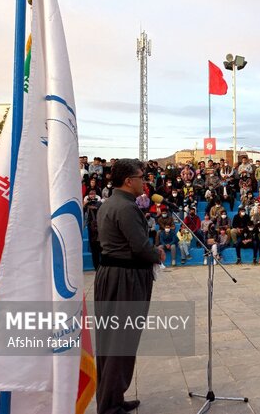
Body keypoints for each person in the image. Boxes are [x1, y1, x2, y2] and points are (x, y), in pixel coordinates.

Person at [95, 159, 165, 414]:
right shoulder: (125, 208)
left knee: (113, 342)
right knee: (120, 343)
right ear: (128, 180)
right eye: (141, 177)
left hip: (114, 275)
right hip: (124, 279)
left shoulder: (112, 203)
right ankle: (110, 406)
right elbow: (139, 247)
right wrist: (156, 253)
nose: (144, 181)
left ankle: (113, 397)